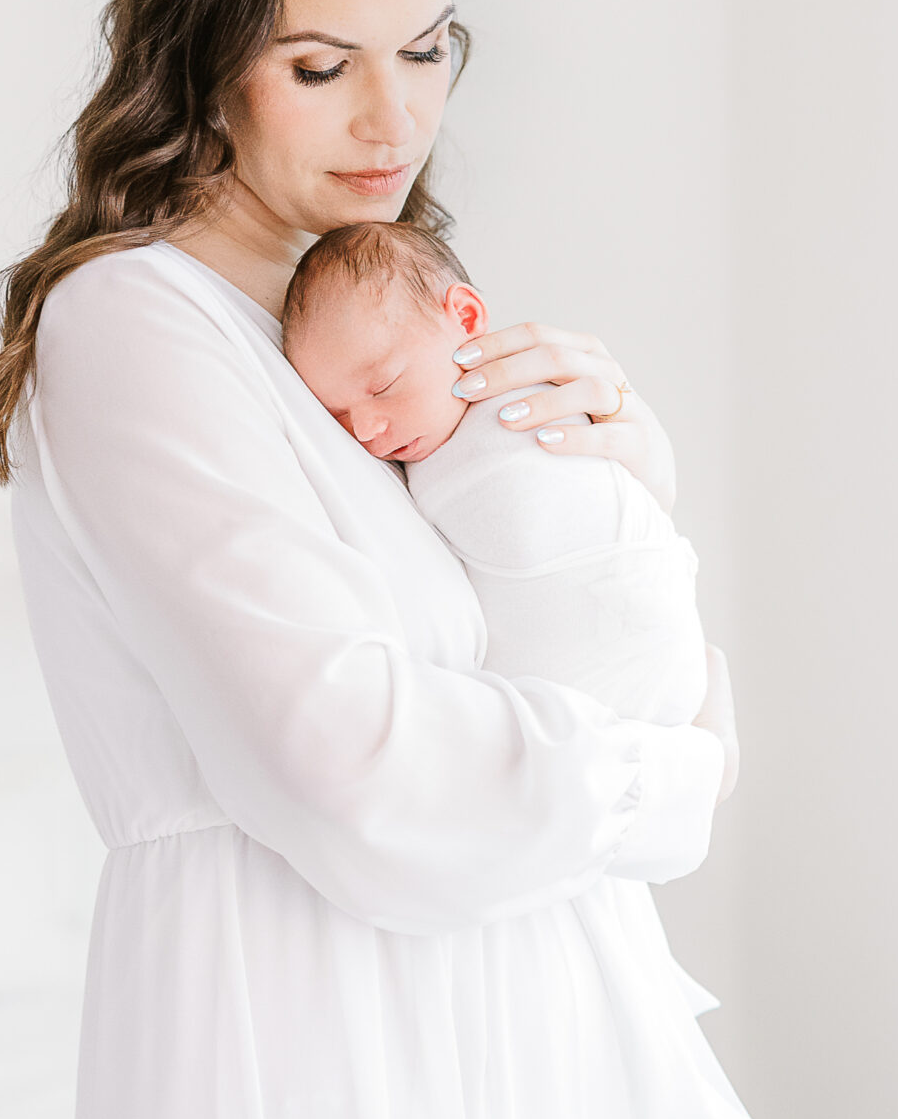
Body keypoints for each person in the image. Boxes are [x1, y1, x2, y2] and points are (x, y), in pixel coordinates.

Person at [0, 0, 765, 1119]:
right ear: (202, 53)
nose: (392, 123)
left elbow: (585, 677)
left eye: (426, 50)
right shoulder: (135, 327)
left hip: (517, 1037)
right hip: (308, 1042)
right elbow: (347, 770)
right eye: (321, 66)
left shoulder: (369, 335)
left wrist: (627, 491)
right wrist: (657, 775)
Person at [279, 217, 716, 740]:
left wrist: (653, 483)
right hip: (563, 709)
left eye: (385, 385)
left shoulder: (544, 388)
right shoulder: (399, 463)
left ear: (465, 318)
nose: (367, 429)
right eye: (340, 416)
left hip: (646, 640)